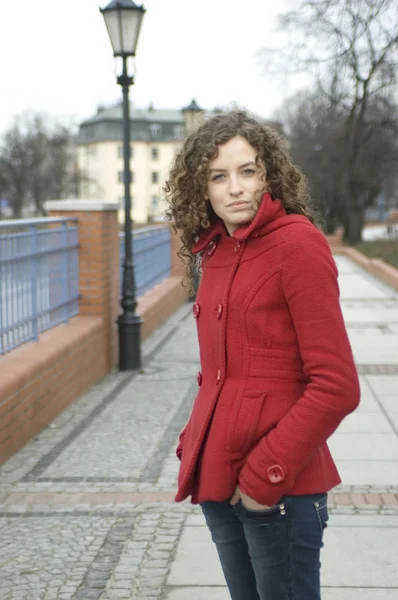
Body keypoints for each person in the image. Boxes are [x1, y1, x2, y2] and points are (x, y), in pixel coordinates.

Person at [164, 110, 360, 600]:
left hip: (277, 492)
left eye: (248, 171)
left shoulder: (297, 244)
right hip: (219, 483)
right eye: (218, 176)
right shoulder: (217, 251)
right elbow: (222, 372)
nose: (235, 188)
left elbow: (336, 387)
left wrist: (262, 478)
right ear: (201, 188)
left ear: (269, 173)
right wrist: (195, 441)